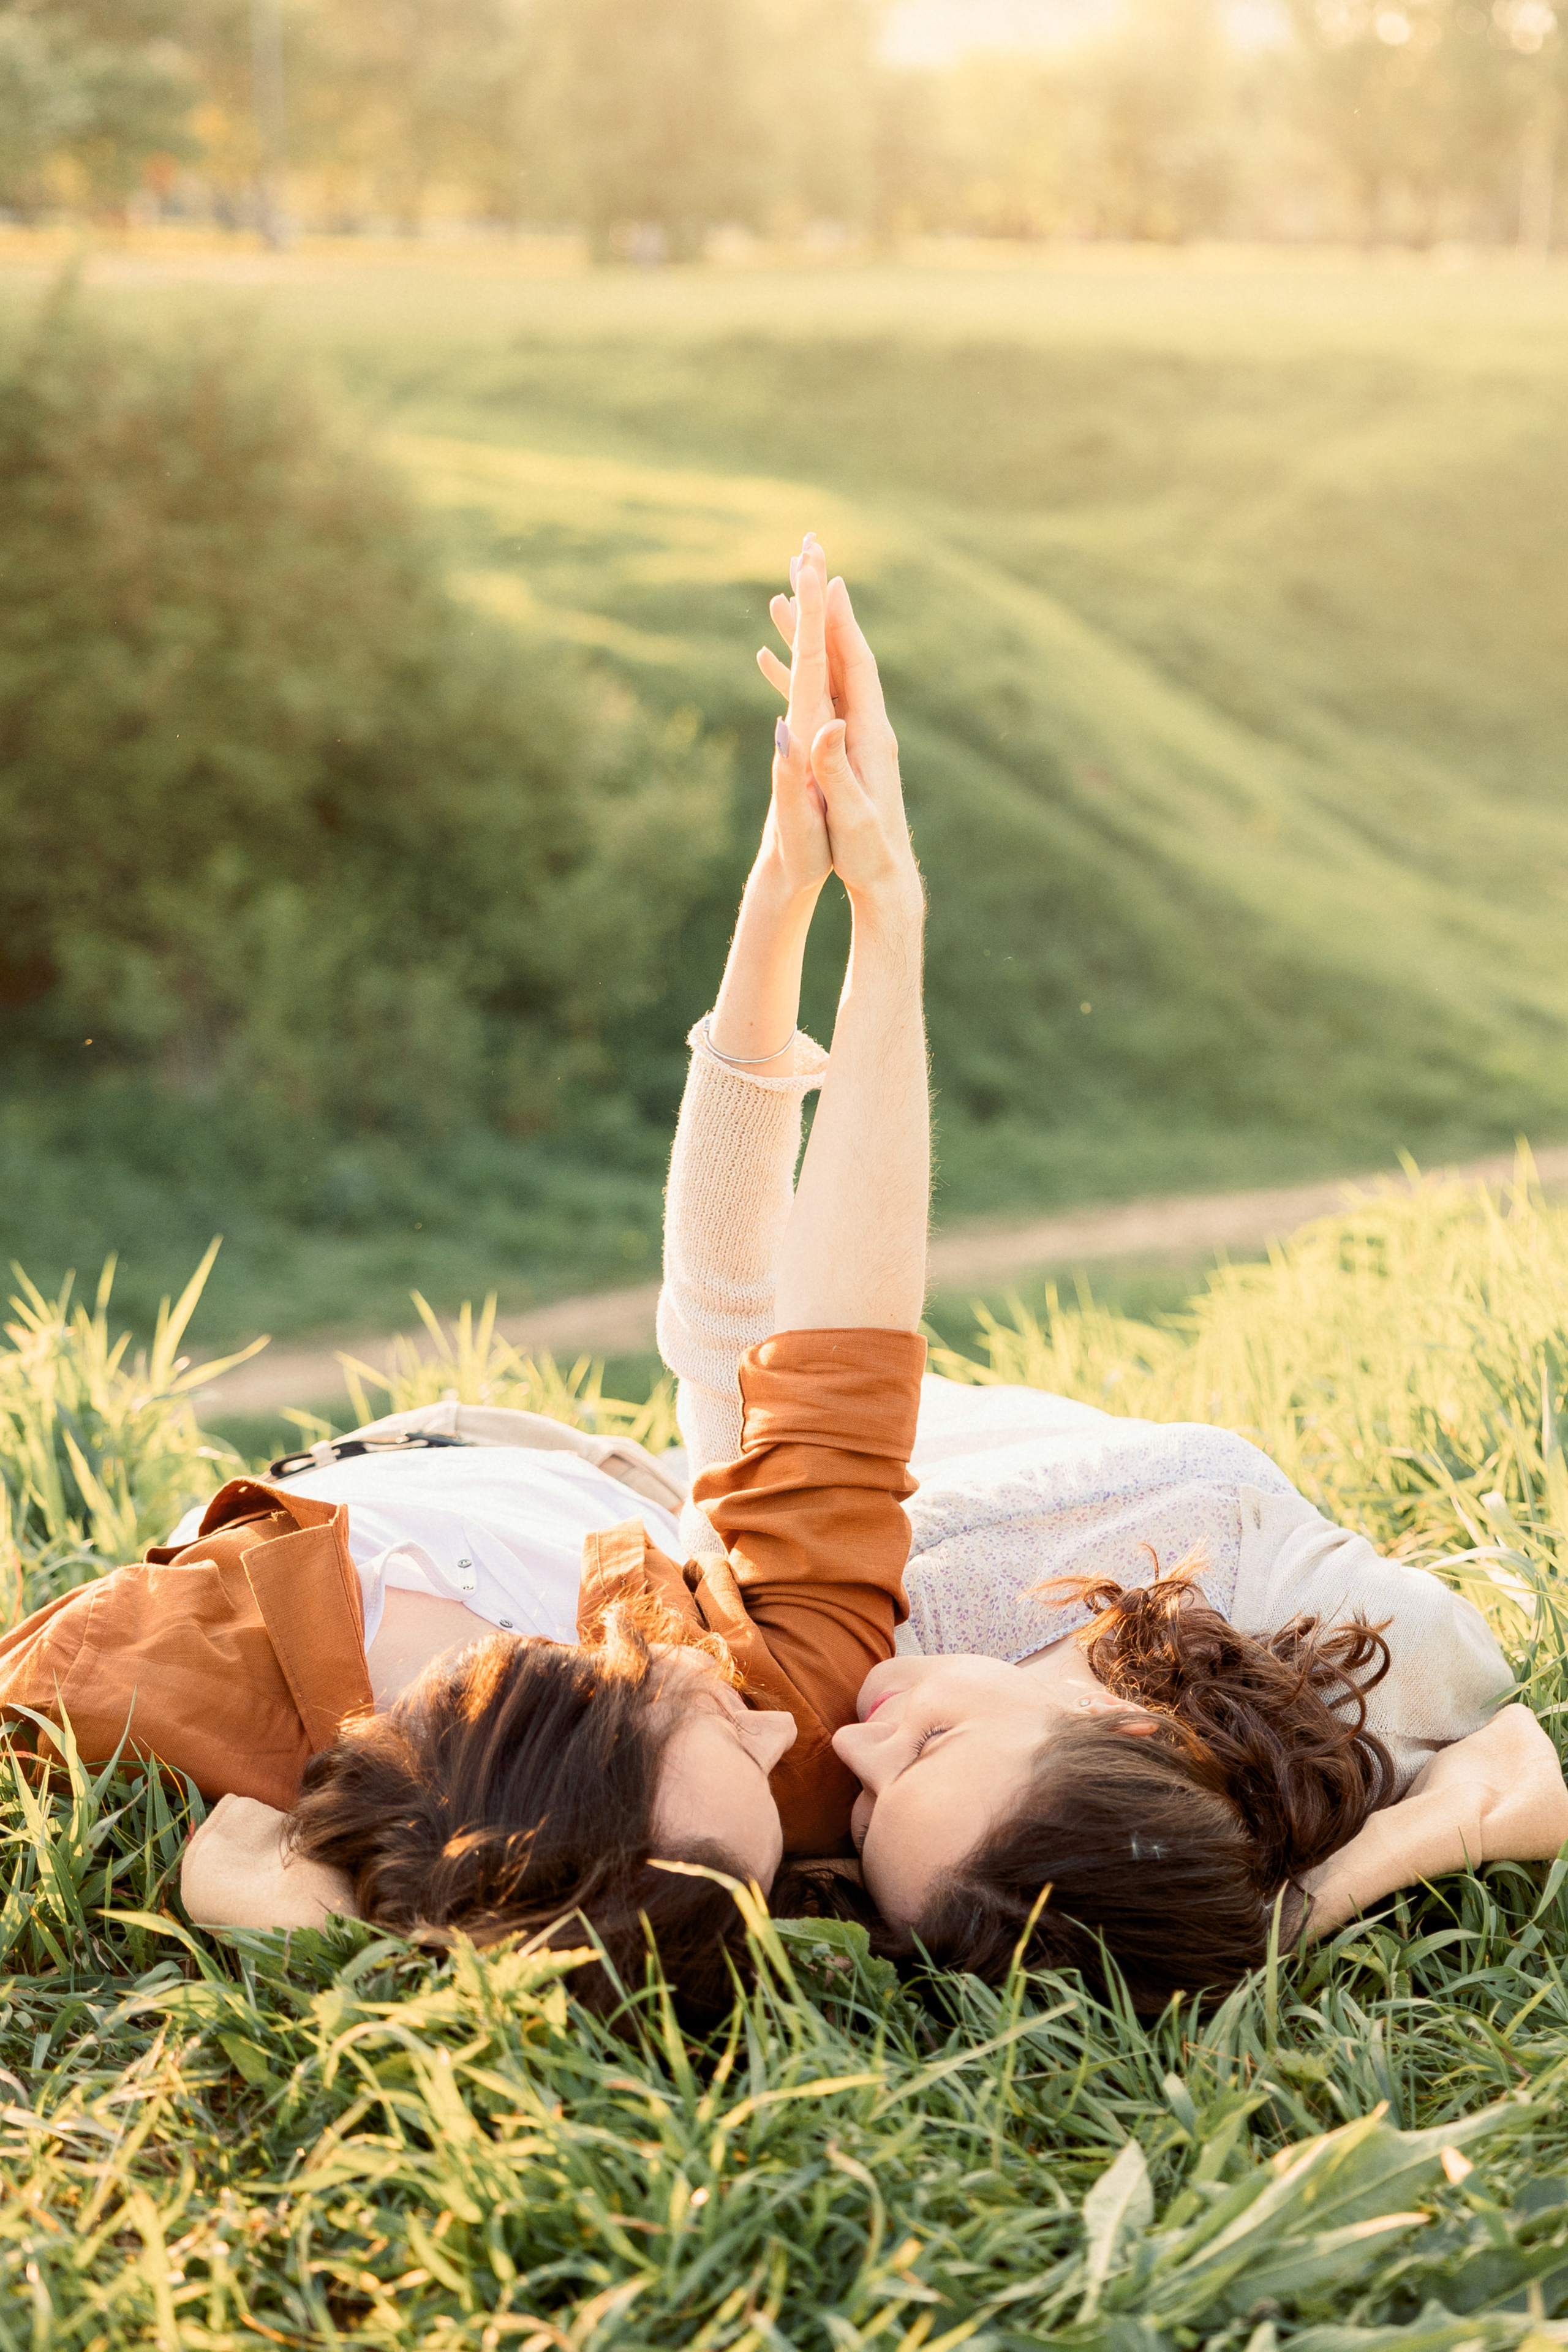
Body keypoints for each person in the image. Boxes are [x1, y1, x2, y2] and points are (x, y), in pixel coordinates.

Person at [0, 532, 932, 2025]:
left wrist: (273, 1914)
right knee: (722, 1352)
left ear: (569, 1717)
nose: (784, 1750)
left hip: (370, 1480)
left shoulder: (138, 1686)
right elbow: (830, 1356)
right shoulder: (783, 1721)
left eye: (724, 1752)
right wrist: (854, 907)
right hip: (590, 1474)